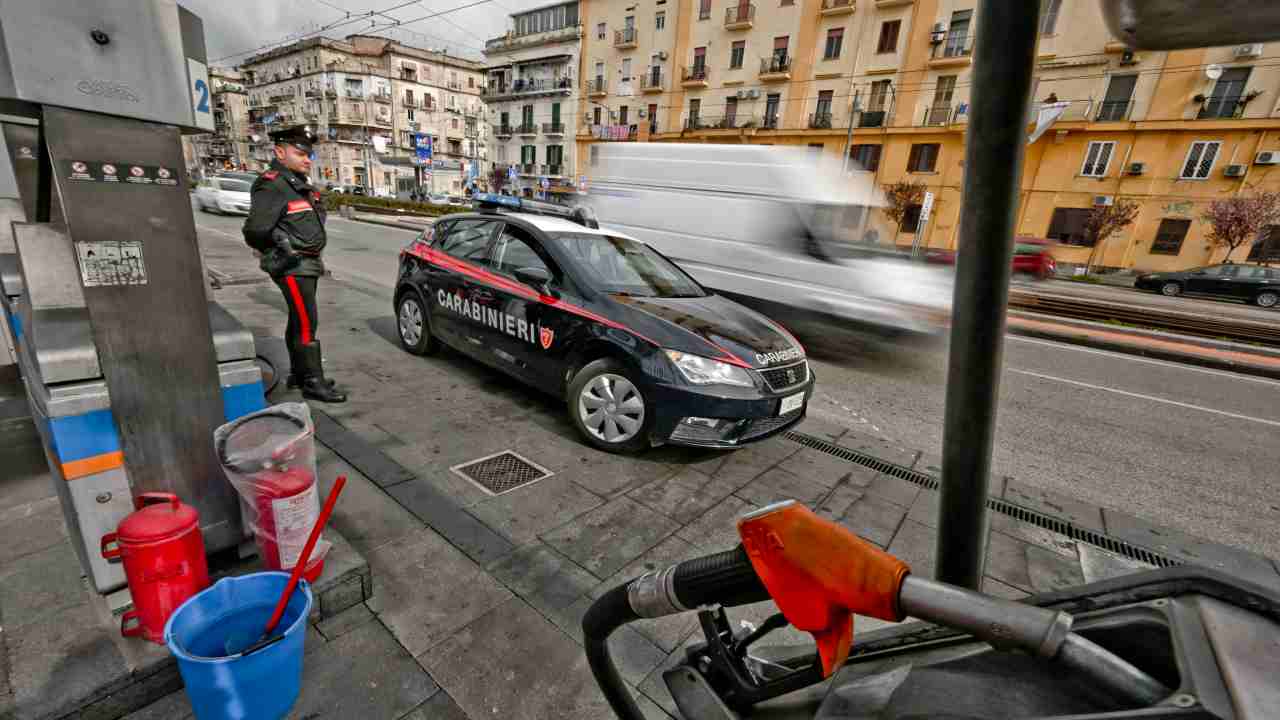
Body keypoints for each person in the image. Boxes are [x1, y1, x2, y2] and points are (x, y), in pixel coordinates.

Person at [242, 125, 346, 403]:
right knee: (306, 323)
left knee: (298, 321)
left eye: (308, 154)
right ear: (279, 152)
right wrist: (281, 247)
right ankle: (313, 382)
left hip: (306, 264)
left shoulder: (295, 182)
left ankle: (300, 374)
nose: (307, 158)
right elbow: (254, 230)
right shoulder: (273, 183)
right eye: (300, 153)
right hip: (293, 265)